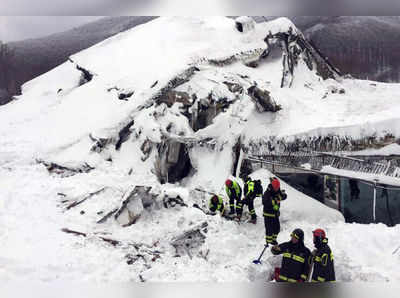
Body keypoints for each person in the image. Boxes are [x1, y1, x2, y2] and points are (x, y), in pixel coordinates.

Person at [262, 177, 287, 245]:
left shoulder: (278, 190)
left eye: (277, 188)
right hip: (268, 214)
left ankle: (273, 240)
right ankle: (268, 242)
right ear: (272, 186)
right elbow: (264, 202)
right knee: (269, 230)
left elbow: (284, 196)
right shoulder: (267, 193)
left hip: (275, 214)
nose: (276, 190)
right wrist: (274, 202)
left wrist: (280, 197)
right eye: (275, 188)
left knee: (277, 228)